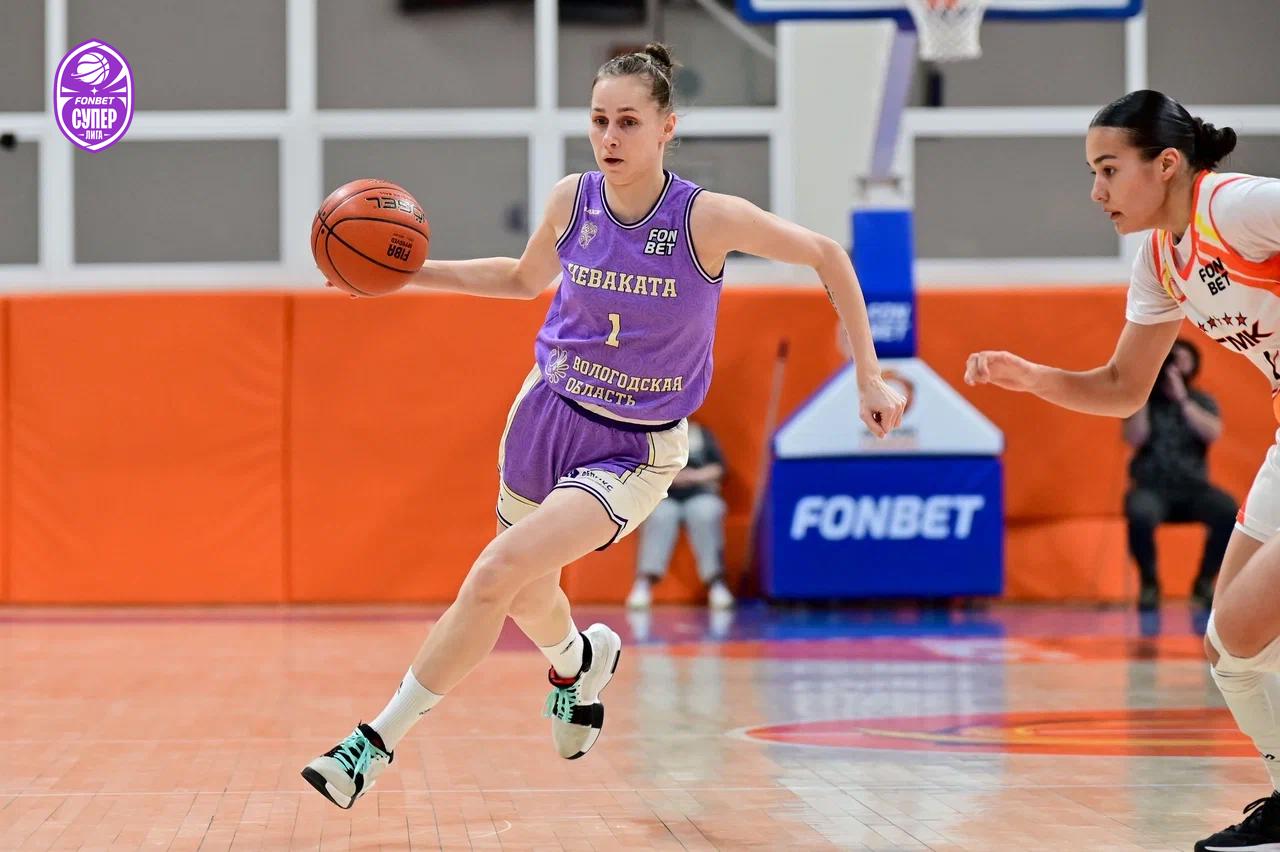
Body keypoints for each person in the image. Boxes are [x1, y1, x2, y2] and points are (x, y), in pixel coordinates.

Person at [303, 43, 906, 810]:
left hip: (632, 448)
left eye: (628, 121)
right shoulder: (572, 200)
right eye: (598, 121)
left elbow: (827, 255)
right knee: (527, 594)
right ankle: (577, 662)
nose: (610, 137)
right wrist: (407, 275)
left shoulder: (705, 219)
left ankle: (372, 744)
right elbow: (523, 279)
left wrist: (868, 373)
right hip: (547, 413)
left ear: (666, 127)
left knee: (492, 574)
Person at [964, 89, 1280, 851]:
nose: (1096, 191)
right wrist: (1032, 377)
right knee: (1227, 649)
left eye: (1109, 169)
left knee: (1245, 628)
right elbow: (1120, 387)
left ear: (1166, 164)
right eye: (1092, 173)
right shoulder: (1161, 260)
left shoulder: (1234, 207)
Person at [1123, 338, 1237, 610]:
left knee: (1227, 510)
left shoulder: (1201, 400)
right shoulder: (1143, 401)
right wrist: (1143, 391)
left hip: (1193, 487)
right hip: (1151, 487)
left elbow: (1212, 433)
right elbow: (1134, 438)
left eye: (1182, 359)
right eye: (1170, 360)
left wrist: (1182, 399)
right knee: (1138, 512)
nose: (1175, 366)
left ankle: (1204, 581)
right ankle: (1149, 583)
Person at [626, 419, 733, 610]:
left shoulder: (702, 433)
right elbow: (640, 468)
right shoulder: (653, 433)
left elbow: (719, 468)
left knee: (706, 513)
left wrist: (694, 476)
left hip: (700, 493)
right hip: (664, 496)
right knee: (659, 516)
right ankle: (644, 582)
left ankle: (716, 583)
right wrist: (670, 477)